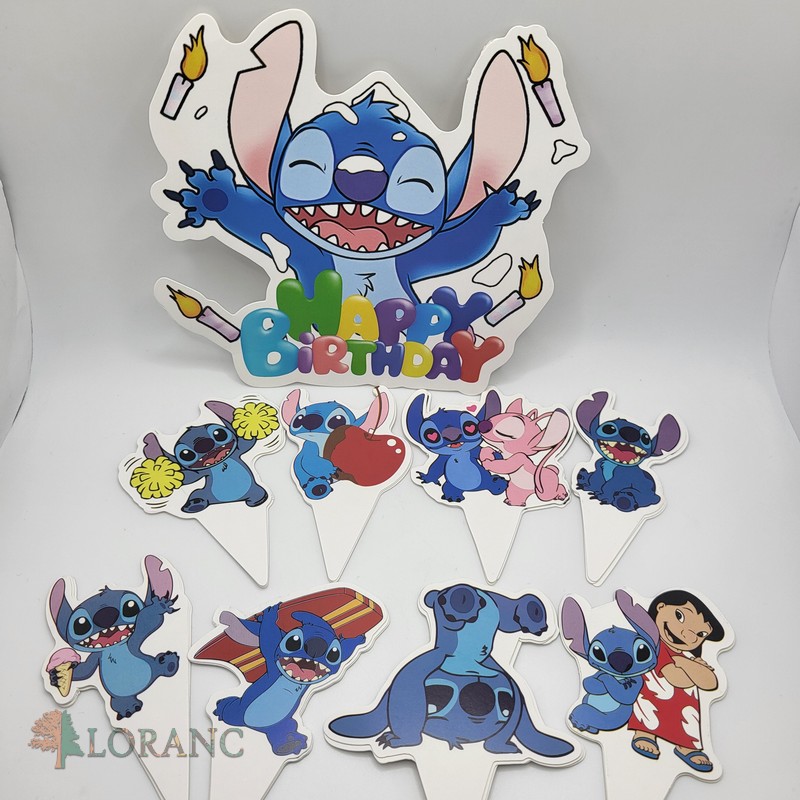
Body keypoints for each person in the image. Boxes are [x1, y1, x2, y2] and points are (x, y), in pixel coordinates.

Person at [628, 590, 725, 772]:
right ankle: (644, 734)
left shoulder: (685, 657)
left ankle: (687, 745)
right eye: (680, 616)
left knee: (689, 717)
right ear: (661, 607)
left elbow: (710, 683)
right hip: (653, 695)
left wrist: (686, 663)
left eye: (701, 633)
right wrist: (691, 668)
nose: (689, 635)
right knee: (647, 710)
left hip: (683, 706)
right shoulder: (654, 648)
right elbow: (676, 678)